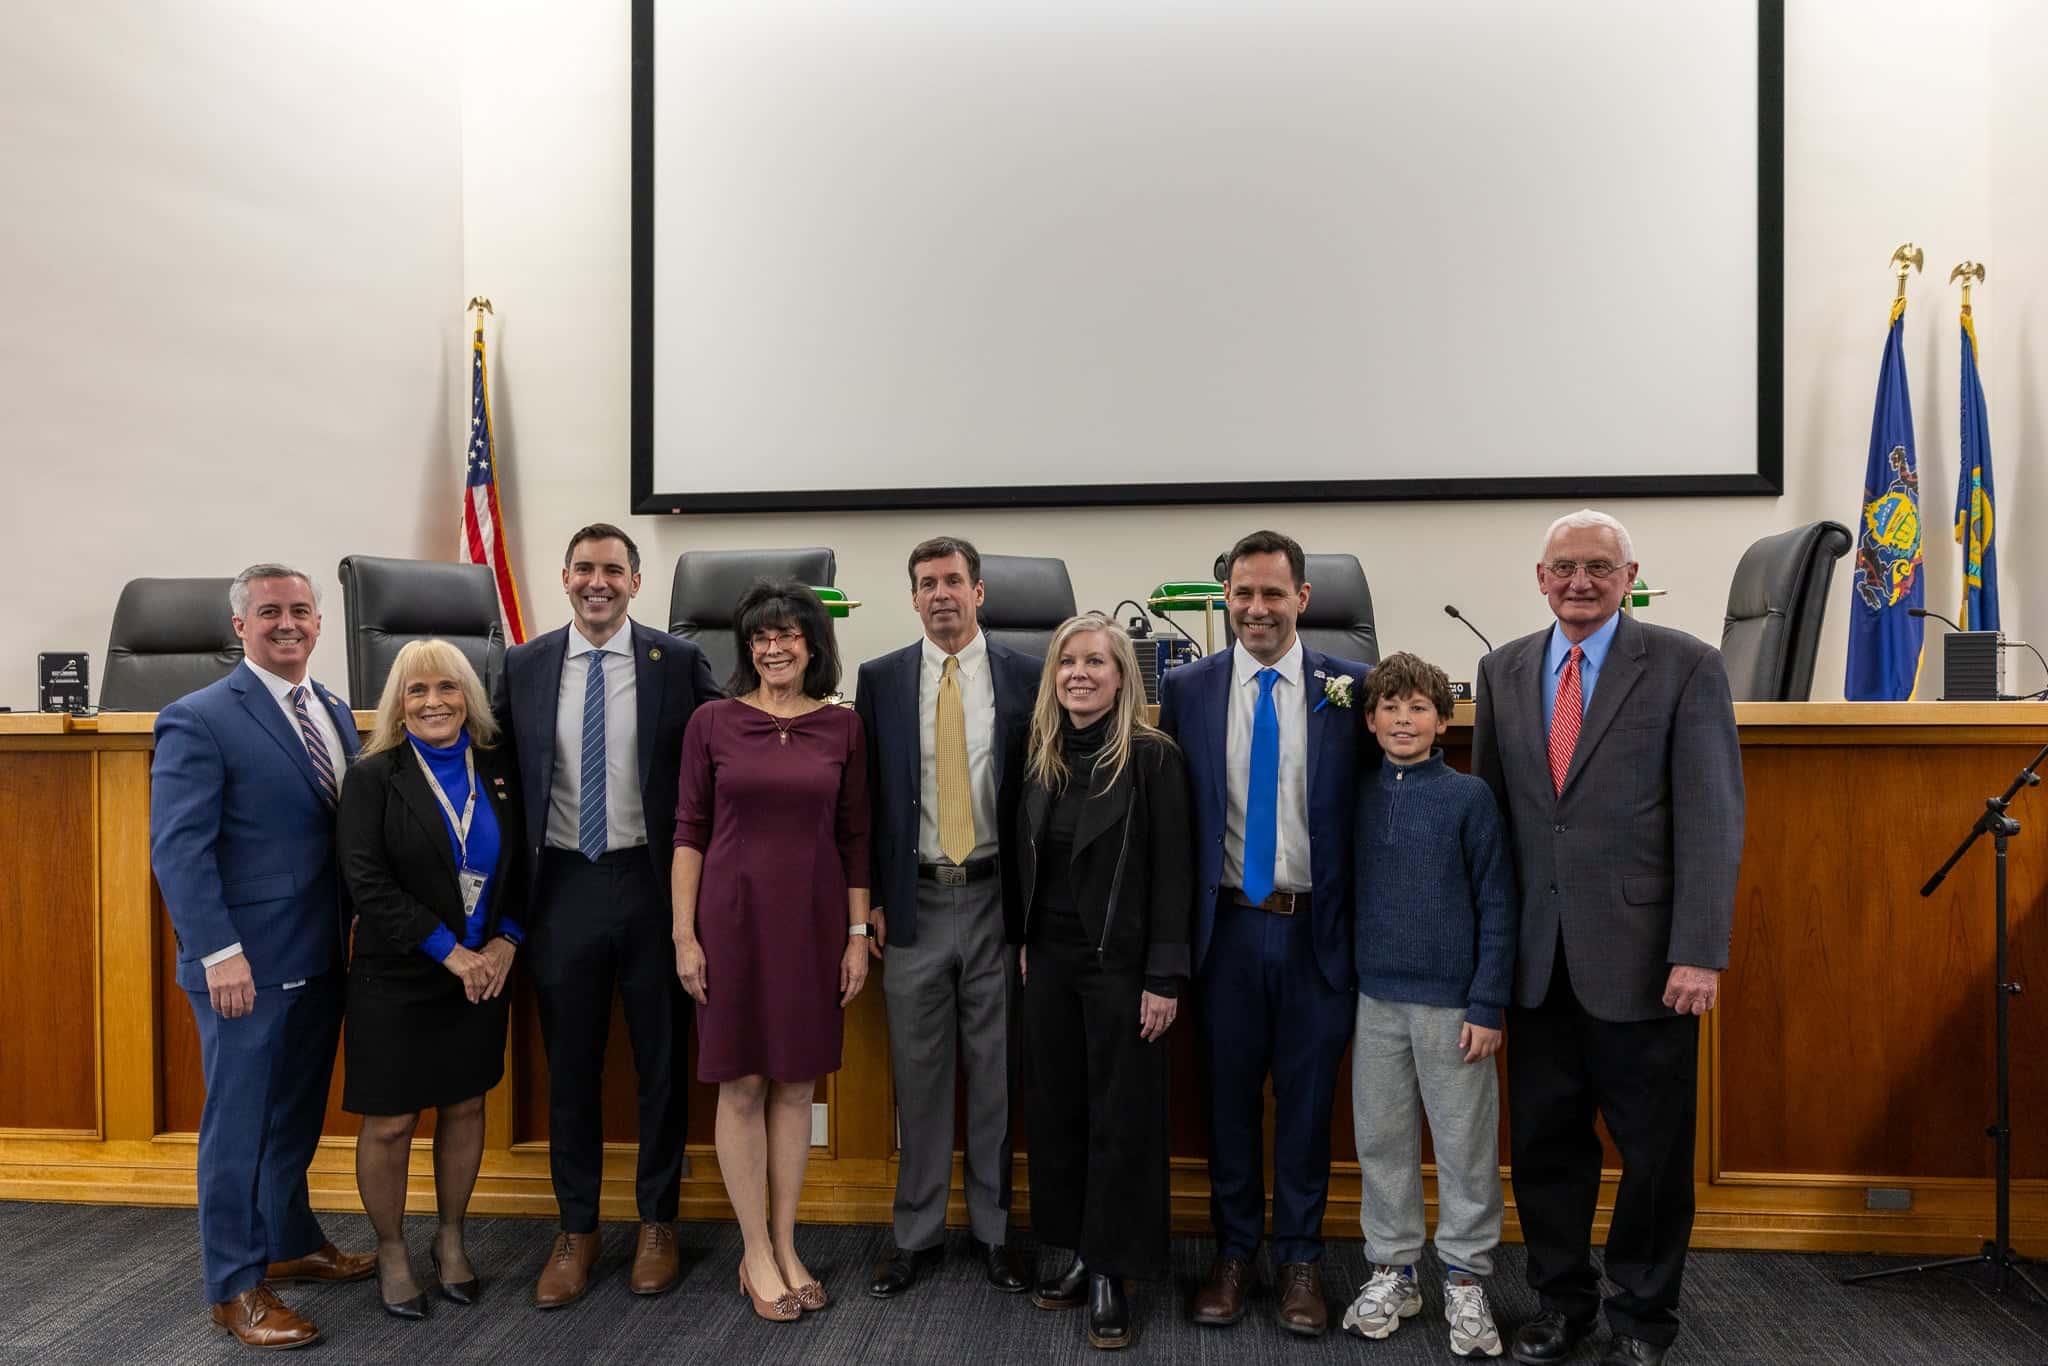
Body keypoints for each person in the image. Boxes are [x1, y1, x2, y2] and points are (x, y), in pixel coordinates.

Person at [1472, 509, 1743, 1366]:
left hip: (1645, 961)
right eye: (1564, 568)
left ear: (1630, 577)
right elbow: (1492, 826)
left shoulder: (1685, 665)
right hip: (1537, 962)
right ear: (1540, 578)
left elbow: (1712, 817)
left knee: (1653, 1153)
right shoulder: (1503, 670)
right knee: (1545, 1146)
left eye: (1598, 567)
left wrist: (1698, 950)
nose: (1579, 582)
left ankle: (1642, 1318)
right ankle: (1562, 1304)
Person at [492, 522, 719, 1309]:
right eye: (584, 568)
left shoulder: (677, 661)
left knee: (661, 1063)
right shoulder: (523, 665)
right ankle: (576, 1227)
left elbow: (725, 751)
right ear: (564, 578)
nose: (598, 582)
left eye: (613, 570)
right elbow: (495, 767)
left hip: (654, 884)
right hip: (562, 887)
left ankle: (658, 1221)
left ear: (635, 582)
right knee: (572, 1067)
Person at [150, 563, 373, 1349]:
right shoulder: (198, 717)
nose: (288, 623)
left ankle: (288, 1241)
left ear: (319, 623)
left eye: (301, 610)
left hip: (322, 953)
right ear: (240, 625)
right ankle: (233, 1287)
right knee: (239, 1126)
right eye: (271, 611)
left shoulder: (334, 711)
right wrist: (219, 953)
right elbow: (178, 851)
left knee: (295, 1116)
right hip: (243, 965)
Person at [1156, 529, 1368, 1338]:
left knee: (1309, 1106)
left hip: (1317, 932)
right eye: (1242, 593)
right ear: (1226, 599)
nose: (1256, 608)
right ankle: (1234, 1253)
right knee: (1229, 1101)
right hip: (1228, 933)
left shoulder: (1351, 688)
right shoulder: (1189, 687)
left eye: (1273, 593)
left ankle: (1301, 1260)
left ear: (1302, 599)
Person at [672, 579, 872, 1321]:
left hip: (814, 926)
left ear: (813, 645)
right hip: (729, 924)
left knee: (795, 1084)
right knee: (742, 1084)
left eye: (787, 634)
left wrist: (856, 936)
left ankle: (787, 1245)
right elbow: (688, 830)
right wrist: (684, 934)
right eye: (759, 636)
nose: (773, 647)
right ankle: (753, 1251)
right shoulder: (712, 722)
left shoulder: (844, 727)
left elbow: (856, 838)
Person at [852, 536, 1040, 1298]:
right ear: (913, 598)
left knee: (995, 1076)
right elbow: (866, 800)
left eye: (953, 581)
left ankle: (994, 1232)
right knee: (920, 1076)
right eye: (927, 583)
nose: (941, 595)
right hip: (916, 903)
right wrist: (873, 901)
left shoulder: (1028, 675)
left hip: (997, 899)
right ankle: (917, 1234)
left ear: (979, 592)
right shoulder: (881, 680)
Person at [1013, 616, 1192, 1351]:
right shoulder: (1040, 755)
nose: (1079, 674)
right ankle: (1082, 1251)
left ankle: (1114, 1271)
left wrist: (1164, 976)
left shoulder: (1153, 757)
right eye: (1067, 662)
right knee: (1059, 1112)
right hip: (1050, 961)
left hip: (1122, 965)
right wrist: (1024, 940)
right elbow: (1026, 859)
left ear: (1123, 677)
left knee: (1122, 1118)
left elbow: (1174, 872)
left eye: (1095, 662)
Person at [336, 640, 526, 1318]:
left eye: (447, 687)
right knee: (391, 1121)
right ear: (399, 703)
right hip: (398, 974)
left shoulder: (501, 768)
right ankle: (392, 1250)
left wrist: (507, 939)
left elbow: (527, 864)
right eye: (416, 691)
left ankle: (450, 1237)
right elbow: (366, 882)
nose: (433, 702)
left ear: (468, 696)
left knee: (465, 1106)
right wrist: (450, 951)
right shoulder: (373, 777)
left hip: (482, 974)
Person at [1338, 652, 1515, 1359]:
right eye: (1390, 707)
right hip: (1376, 1001)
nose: (1403, 719)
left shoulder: (1469, 798)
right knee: (1381, 1141)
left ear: (1444, 720)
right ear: (1370, 720)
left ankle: (1466, 1278)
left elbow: (1498, 904)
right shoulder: (1355, 794)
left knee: (1465, 1146)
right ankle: (1394, 1270)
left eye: (1419, 707)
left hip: (1454, 1009)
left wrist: (1488, 1003)